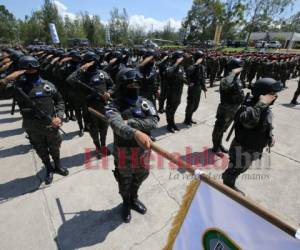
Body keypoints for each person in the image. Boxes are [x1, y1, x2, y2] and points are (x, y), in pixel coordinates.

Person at [0, 56, 68, 184]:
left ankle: (57, 165)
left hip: (51, 125)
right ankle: (48, 168)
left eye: (33, 69)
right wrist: (7, 79)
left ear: (38, 68)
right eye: (27, 69)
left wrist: (59, 117)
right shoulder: (16, 87)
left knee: (55, 146)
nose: (31, 71)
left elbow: (59, 101)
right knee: (40, 149)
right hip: (32, 126)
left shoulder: (47, 85)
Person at [105, 68, 159, 223]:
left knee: (141, 176)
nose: (134, 87)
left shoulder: (145, 102)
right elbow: (117, 125)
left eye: (137, 84)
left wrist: (133, 123)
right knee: (124, 181)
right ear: (122, 86)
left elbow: (154, 121)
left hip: (143, 152)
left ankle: (134, 198)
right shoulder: (113, 105)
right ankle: (126, 202)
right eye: (130, 85)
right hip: (124, 153)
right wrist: (136, 133)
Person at [222, 78, 283, 194]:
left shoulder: (263, 107)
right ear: (262, 94)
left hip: (252, 149)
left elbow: (265, 124)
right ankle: (227, 186)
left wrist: (270, 136)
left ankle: (229, 181)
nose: (275, 96)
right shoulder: (250, 108)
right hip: (243, 150)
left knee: (242, 167)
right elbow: (248, 122)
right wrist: (261, 104)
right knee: (235, 169)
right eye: (272, 94)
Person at [212, 58, 245, 156]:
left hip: (234, 109)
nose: (241, 69)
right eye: (239, 68)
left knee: (224, 129)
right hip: (225, 109)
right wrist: (233, 73)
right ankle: (215, 146)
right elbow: (227, 85)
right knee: (219, 128)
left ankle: (220, 144)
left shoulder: (237, 79)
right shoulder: (226, 80)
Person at [165, 50, 187, 133]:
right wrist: (176, 63)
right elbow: (168, 72)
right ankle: (169, 124)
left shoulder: (181, 67)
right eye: (181, 57)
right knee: (170, 108)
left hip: (179, 92)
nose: (182, 59)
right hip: (171, 91)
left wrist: (188, 83)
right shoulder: (171, 66)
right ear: (177, 58)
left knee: (175, 107)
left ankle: (172, 122)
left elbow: (182, 77)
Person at [184, 50, 207, 126]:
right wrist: (196, 63)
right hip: (193, 88)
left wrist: (204, 87)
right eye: (201, 58)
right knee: (190, 104)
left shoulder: (202, 67)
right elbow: (187, 72)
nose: (203, 59)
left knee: (196, 105)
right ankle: (187, 119)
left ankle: (190, 117)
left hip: (199, 88)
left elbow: (202, 78)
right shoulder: (192, 66)